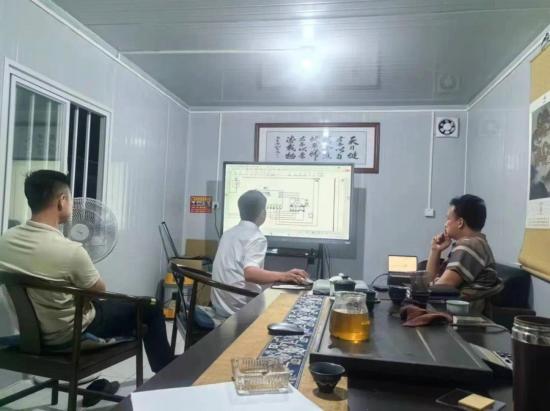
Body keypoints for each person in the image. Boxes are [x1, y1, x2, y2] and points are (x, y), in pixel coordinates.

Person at [0, 170, 172, 372]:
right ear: (62, 201)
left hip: (30, 333)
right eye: (71, 199)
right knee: (151, 306)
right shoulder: (71, 251)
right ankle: (166, 370)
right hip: (70, 333)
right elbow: (99, 291)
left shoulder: (6, 241)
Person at [211, 190, 309, 318]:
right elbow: (250, 274)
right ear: (263, 213)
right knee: (292, 309)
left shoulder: (228, 233)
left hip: (220, 306)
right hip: (240, 310)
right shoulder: (256, 237)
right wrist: (284, 276)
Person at [426, 194, 498, 311]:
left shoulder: (470, 246)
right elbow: (429, 280)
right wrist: (436, 250)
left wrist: (427, 286)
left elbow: (441, 289)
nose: (445, 224)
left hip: (460, 317)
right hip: (455, 312)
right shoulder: (475, 244)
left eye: (448, 219)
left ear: (460, 222)